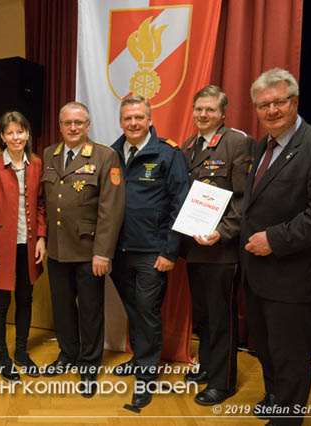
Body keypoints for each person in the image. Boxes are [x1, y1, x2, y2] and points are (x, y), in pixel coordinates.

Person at [242, 68, 311, 426]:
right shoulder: (262, 147)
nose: (271, 110)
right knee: (269, 352)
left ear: (295, 101)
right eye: (263, 105)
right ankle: (275, 399)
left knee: (291, 357)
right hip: (259, 275)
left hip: (295, 278)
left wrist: (274, 239)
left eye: (279, 102)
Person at [109, 95, 189, 408]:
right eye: (128, 118)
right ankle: (140, 359)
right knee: (133, 310)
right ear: (120, 121)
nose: (133, 123)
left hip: (152, 252)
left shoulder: (168, 153)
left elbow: (180, 203)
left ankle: (145, 377)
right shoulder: (111, 153)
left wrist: (170, 251)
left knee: (147, 311)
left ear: (149, 119)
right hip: (119, 251)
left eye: (139, 117)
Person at [41, 101, 125, 398]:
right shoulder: (49, 155)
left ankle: (89, 365)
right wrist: (42, 238)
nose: (73, 128)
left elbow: (111, 209)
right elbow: (44, 202)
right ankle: (67, 354)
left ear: (88, 125)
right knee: (62, 309)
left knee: (90, 312)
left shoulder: (105, 156)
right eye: (67, 123)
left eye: (79, 123)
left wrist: (103, 252)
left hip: (90, 251)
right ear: (60, 126)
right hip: (57, 249)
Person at [180, 86, 255, 405]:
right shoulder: (189, 146)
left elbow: (243, 199)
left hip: (222, 249)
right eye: (198, 109)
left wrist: (223, 232)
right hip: (195, 246)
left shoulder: (237, 142)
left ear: (223, 113)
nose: (202, 115)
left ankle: (223, 382)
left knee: (222, 316)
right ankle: (208, 366)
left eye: (210, 110)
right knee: (205, 315)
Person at [0, 111, 47, 381]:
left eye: (20, 132)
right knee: (0, 303)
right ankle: (3, 357)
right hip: (0, 246)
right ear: (2, 137)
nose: (16, 137)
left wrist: (41, 236)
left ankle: (20, 352)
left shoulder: (37, 164)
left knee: (25, 299)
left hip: (28, 245)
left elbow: (41, 204)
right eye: (10, 133)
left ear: (27, 134)